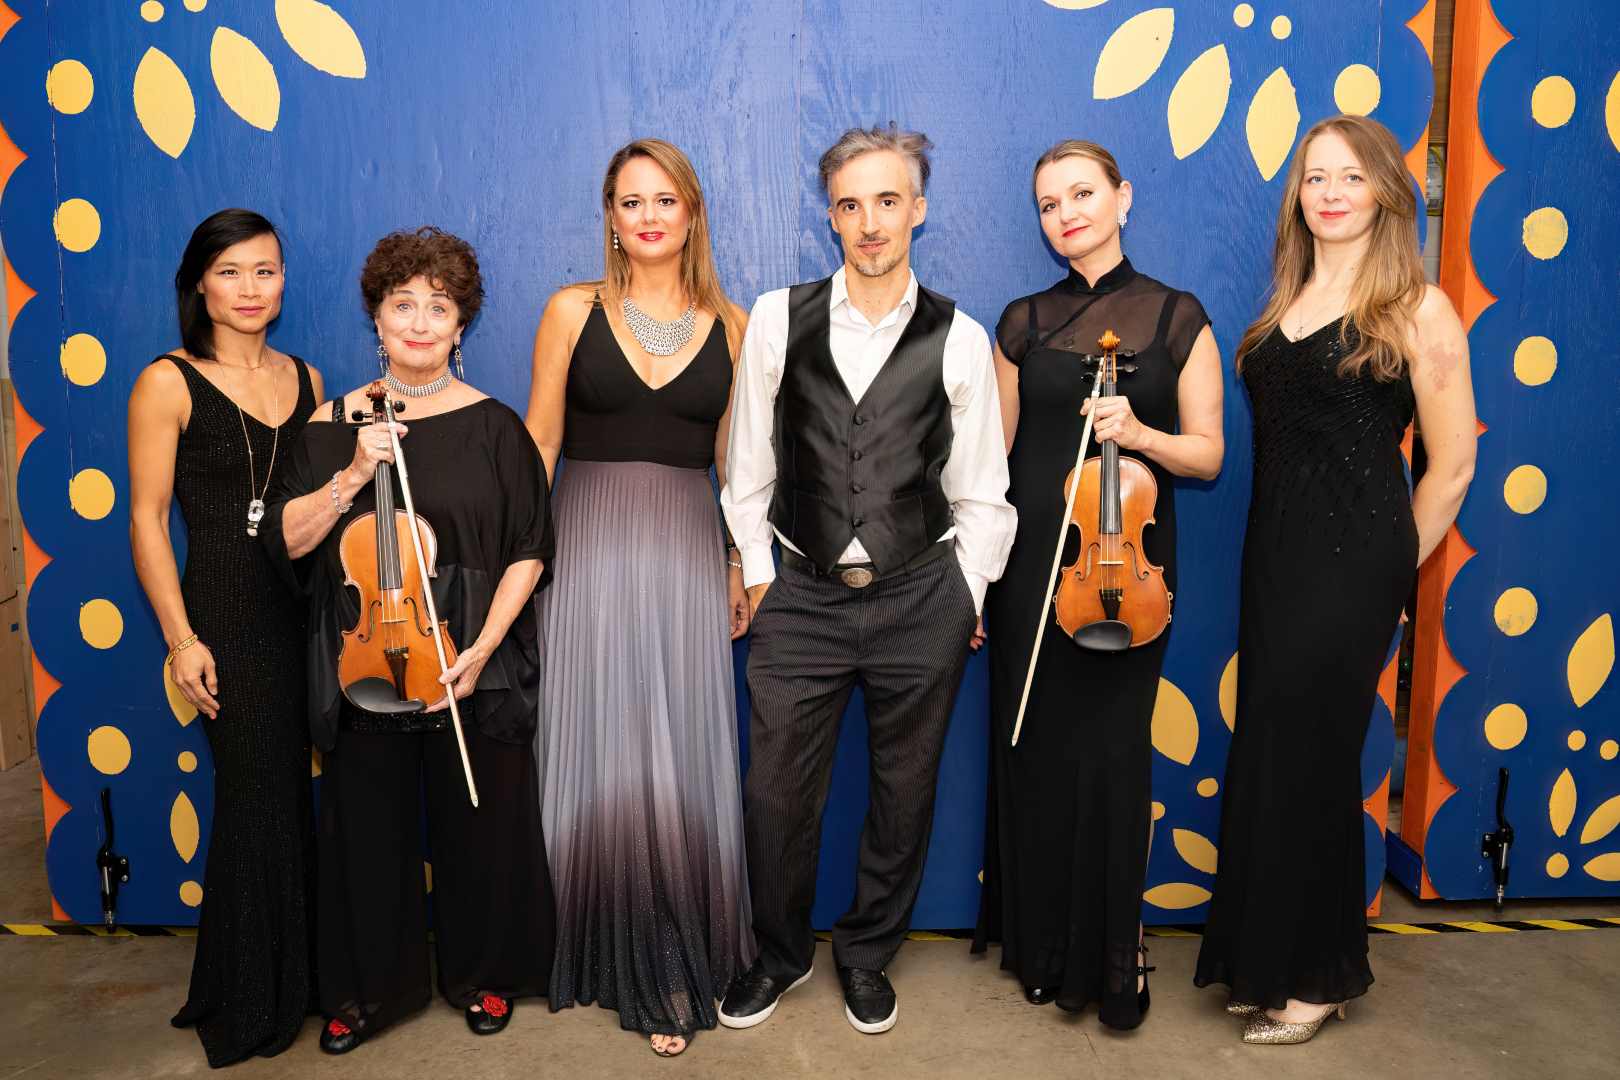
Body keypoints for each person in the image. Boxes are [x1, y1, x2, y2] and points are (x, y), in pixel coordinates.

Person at [719, 125, 1016, 1036]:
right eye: (851, 205)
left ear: (918, 208)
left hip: (920, 597)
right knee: (774, 797)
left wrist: (968, 592)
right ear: (832, 217)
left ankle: (866, 953)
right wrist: (759, 574)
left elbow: (982, 487)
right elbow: (748, 466)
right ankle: (778, 955)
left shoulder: (960, 336)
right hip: (800, 594)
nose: (870, 222)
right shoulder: (778, 318)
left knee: (904, 793)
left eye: (888, 200)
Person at [1193, 115, 1475, 1045]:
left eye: (1351, 176)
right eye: (1315, 177)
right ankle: (1263, 961)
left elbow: (1452, 467)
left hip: (1354, 570)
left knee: (1313, 765)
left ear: (1388, 191)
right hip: (1274, 560)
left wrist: (1386, 571)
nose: (1330, 192)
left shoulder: (1418, 308)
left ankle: (1321, 976)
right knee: (1271, 756)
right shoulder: (1291, 299)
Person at [261, 227, 557, 1054]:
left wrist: (483, 649)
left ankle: (486, 972)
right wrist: (354, 473)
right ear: (377, 320)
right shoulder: (329, 423)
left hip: (470, 655)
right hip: (365, 658)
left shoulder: (495, 427)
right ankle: (369, 990)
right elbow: (286, 541)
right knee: (367, 833)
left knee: (481, 825)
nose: (420, 323)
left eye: (440, 307)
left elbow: (531, 548)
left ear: (461, 326)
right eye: (403, 306)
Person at [972, 140, 1224, 1029]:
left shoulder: (1177, 317)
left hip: (1127, 578)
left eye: (1082, 193)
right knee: (1037, 757)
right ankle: (1042, 949)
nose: (1066, 214)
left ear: (1123, 197)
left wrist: (1142, 433)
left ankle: (1118, 954)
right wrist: (977, 576)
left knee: (1114, 763)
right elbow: (994, 461)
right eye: (1049, 203)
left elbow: (1208, 454)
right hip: (1034, 569)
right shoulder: (1022, 322)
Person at [524, 138, 755, 1058]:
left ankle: (668, 960)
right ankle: (588, 947)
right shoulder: (570, 310)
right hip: (583, 545)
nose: (649, 215)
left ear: (691, 213)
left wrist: (738, 564)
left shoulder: (734, 325)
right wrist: (520, 563)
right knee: (595, 745)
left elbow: (737, 467)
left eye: (665, 199)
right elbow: (540, 443)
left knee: (676, 754)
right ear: (611, 219)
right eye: (631, 201)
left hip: (686, 553)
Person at [129, 209, 322, 1068]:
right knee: (253, 798)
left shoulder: (308, 378)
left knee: (293, 796)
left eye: (265, 271)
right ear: (199, 283)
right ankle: (250, 1001)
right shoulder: (167, 382)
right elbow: (146, 519)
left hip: (301, 611)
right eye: (231, 271)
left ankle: (283, 977)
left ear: (283, 282)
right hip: (221, 614)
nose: (250, 288)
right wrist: (182, 640)